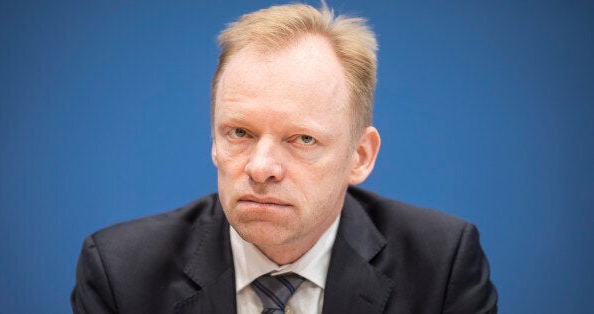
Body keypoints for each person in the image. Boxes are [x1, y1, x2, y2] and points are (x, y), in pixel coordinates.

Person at [71, 3, 497, 313]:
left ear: (360, 156)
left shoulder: (441, 266)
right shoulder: (121, 272)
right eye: (240, 133)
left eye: (302, 139)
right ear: (214, 143)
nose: (260, 168)